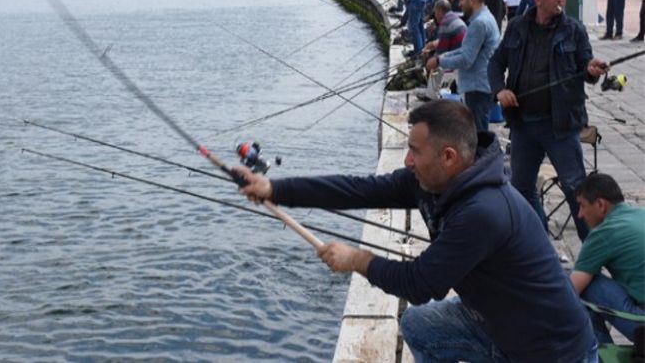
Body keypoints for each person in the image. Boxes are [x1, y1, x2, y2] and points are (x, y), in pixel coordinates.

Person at [235, 100, 597, 362]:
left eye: (413, 150)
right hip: (496, 323)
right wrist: (276, 190)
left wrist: (357, 259)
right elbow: (358, 189)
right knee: (419, 325)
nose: (407, 160)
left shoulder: (483, 212)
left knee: (420, 308)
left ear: (449, 157)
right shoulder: (429, 181)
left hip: (552, 350)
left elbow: (420, 284)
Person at [488, 0, 608, 240]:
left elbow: (586, 70)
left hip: (560, 127)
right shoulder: (517, 26)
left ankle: (593, 254)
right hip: (523, 125)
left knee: (576, 189)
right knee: (521, 188)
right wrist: (500, 90)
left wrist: (592, 70)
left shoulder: (574, 30)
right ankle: (541, 244)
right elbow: (496, 63)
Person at [570, 173, 645, 345]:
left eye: (582, 206)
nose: (580, 214)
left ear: (600, 204)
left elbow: (570, 291)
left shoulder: (604, 232)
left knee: (584, 288)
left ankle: (599, 353)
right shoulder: (641, 213)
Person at [427, 0, 500, 132]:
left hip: (478, 87)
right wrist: (445, 55)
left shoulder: (479, 23)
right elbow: (467, 49)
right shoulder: (486, 17)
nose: (460, 4)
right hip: (481, 85)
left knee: (478, 135)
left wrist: (440, 60)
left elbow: (466, 59)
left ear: (472, 0)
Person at [418, 0, 467, 100]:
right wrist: (431, 45)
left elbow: (441, 52)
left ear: (440, 11)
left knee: (435, 67)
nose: (435, 16)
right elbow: (445, 40)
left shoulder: (445, 23)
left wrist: (428, 61)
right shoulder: (452, 17)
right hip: (462, 52)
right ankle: (431, 93)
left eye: (435, 12)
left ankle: (431, 95)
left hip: (459, 59)